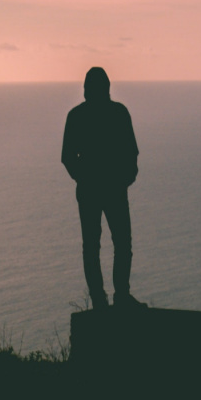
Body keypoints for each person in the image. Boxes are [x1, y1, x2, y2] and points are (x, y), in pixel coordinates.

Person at [62, 66, 142, 310]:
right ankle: (118, 296)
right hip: (111, 188)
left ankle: (102, 299)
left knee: (94, 246)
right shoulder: (118, 113)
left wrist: (83, 178)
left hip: (94, 189)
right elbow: (132, 153)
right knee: (119, 243)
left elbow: (68, 157)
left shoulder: (78, 116)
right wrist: (124, 178)